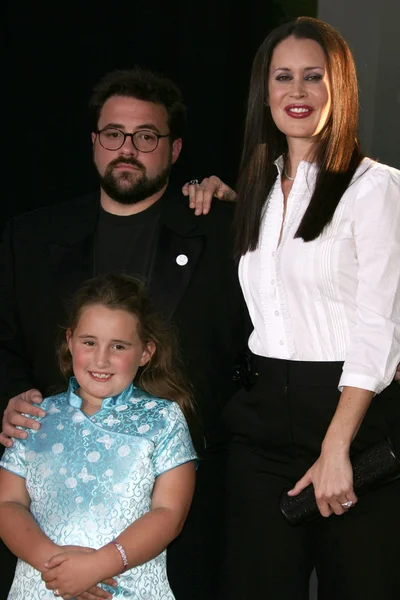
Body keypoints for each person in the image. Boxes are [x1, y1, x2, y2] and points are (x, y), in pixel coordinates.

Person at [0, 67, 245, 599]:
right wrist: (10, 397)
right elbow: (3, 340)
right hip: (51, 517)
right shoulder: (31, 236)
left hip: (187, 509)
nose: (127, 148)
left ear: (175, 149)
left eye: (146, 136)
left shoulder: (219, 229)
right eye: (113, 134)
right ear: (94, 143)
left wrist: (241, 202)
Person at [186, 16, 400, 600]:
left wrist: (337, 449)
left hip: (350, 423)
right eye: (284, 77)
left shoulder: (375, 189)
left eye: (314, 77)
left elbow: (379, 325)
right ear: (265, 89)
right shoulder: (255, 191)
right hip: (258, 427)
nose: (297, 92)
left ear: (341, 89)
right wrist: (226, 194)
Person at [0, 272, 197, 599]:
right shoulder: (35, 416)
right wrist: (58, 568)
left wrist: (97, 567)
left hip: (129, 590)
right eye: (89, 342)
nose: (101, 359)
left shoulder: (163, 419)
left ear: (145, 352)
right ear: (70, 340)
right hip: (41, 586)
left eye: (118, 346)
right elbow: (7, 502)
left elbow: (169, 514)